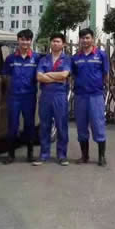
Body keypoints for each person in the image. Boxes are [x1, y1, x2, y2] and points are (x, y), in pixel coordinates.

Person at [1, 29, 40, 164]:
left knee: (29, 125)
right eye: (22, 39)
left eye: (27, 40)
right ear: (18, 41)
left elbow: (41, 74)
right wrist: (10, 89)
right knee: (12, 125)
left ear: (31, 41)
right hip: (14, 97)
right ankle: (10, 155)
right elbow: (5, 75)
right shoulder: (10, 59)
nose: (25, 42)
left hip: (29, 96)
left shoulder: (36, 58)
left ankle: (30, 154)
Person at [72, 28, 109, 166]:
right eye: (82, 38)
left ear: (92, 39)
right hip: (80, 96)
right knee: (81, 126)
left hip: (96, 96)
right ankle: (84, 156)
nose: (85, 40)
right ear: (80, 40)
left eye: (87, 38)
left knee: (98, 125)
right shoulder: (75, 57)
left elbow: (105, 74)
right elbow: (74, 75)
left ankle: (101, 157)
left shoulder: (101, 55)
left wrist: (99, 86)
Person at [34, 32, 71, 166]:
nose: (55, 43)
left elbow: (64, 75)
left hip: (60, 95)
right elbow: (39, 77)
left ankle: (62, 155)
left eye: (58, 41)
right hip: (46, 95)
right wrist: (57, 78)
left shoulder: (67, 59)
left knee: (61, 125)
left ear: (63, 44)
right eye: (53, 41)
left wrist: (48, 74)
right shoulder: (44, 59)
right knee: (44, 125)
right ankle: (44, 154)